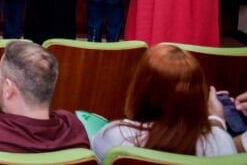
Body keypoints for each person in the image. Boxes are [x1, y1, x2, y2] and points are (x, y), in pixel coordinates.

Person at [91, 44, 237, 160]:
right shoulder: (221, 143)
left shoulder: (115, 136)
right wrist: (217, 120)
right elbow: (219, 142)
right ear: (199, 95)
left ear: (140, 89)